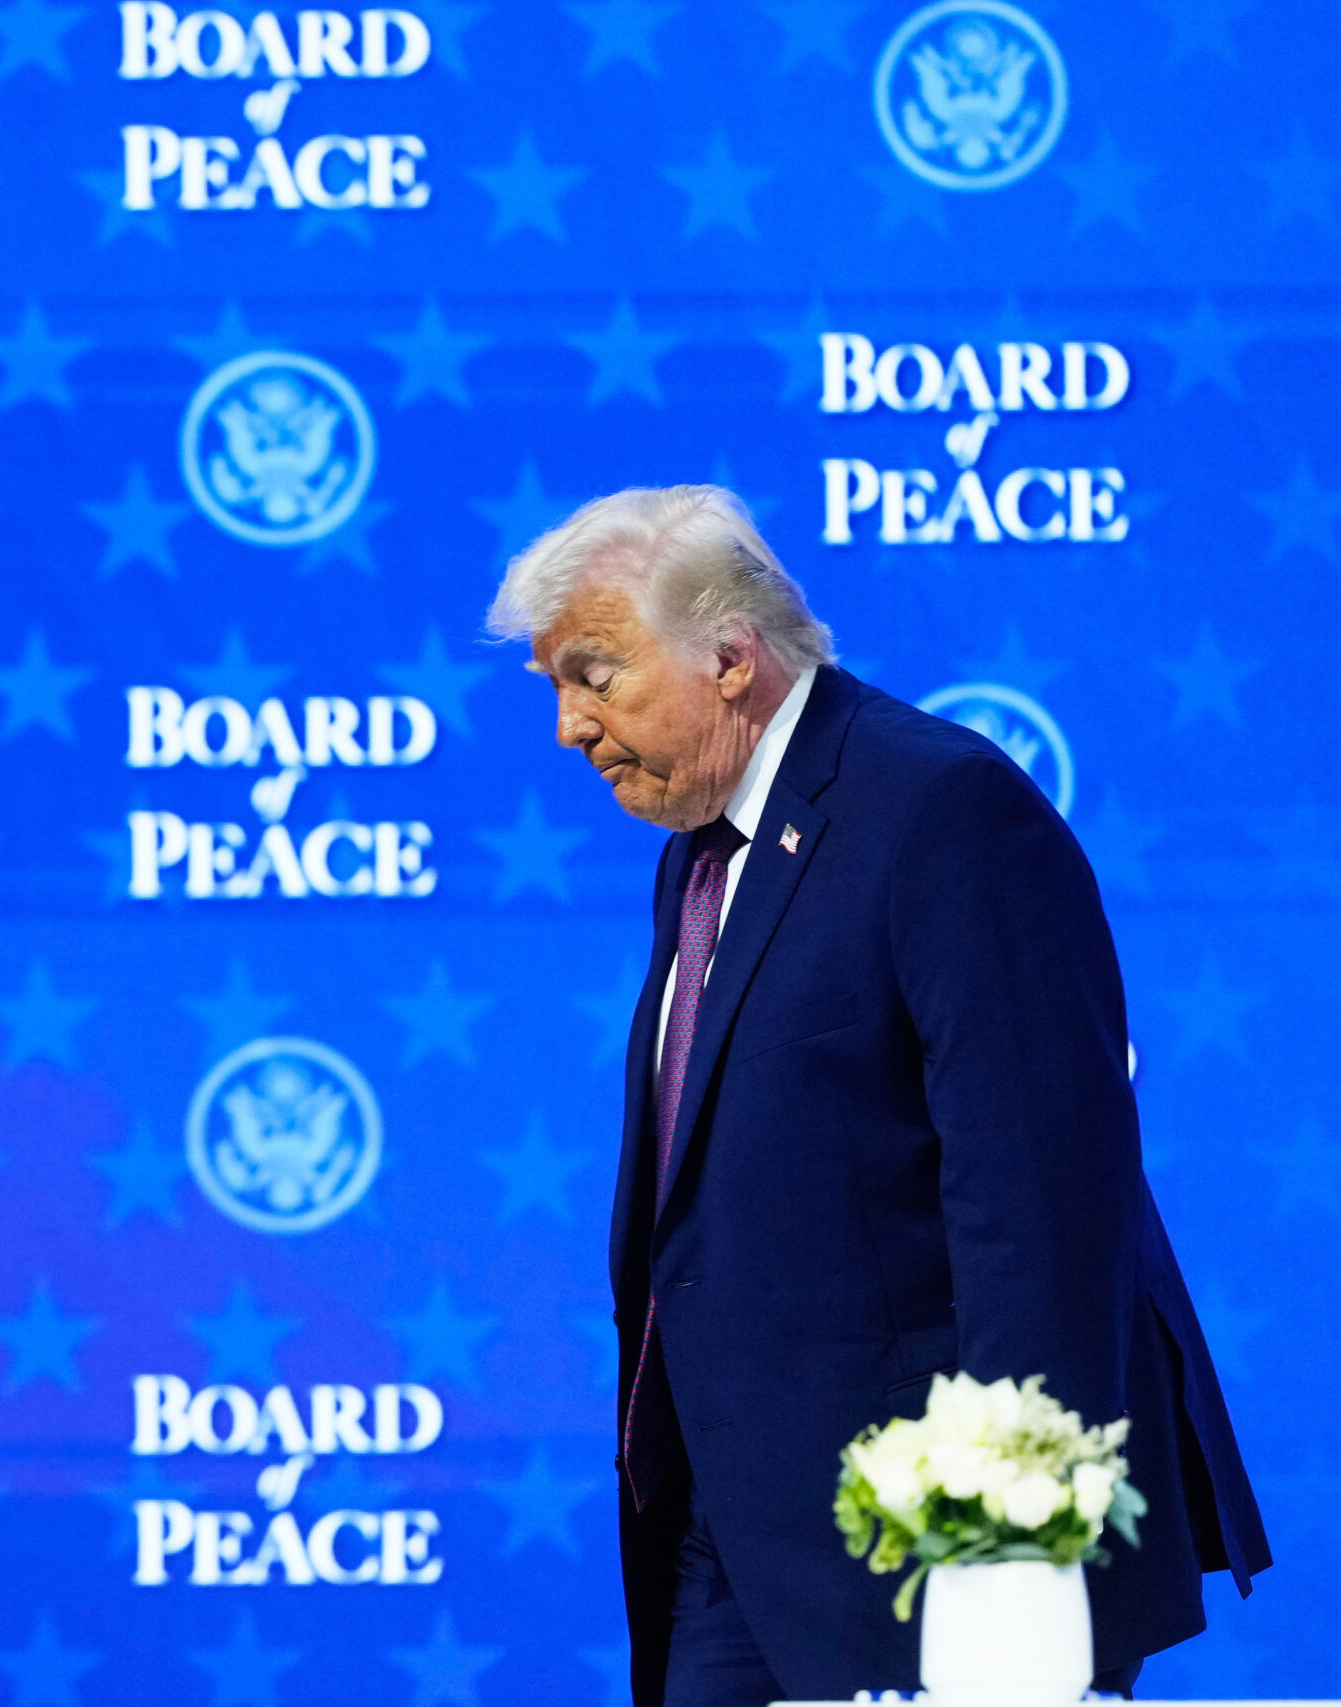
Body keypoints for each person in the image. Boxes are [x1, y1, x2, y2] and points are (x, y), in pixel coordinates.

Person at [485, 486, 1269, 1707]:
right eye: (554, 687)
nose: (567, 727)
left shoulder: (940, 810)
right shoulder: (699, 853)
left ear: (730, 658)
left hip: (931, 1544)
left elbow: (1038, 1203)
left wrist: (1008, 1543)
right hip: (740, 1531)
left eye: (593, 677)